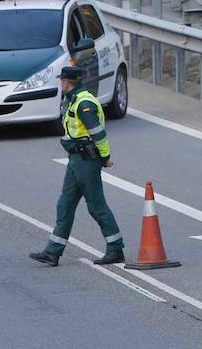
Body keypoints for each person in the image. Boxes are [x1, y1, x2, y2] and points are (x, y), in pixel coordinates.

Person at [30, 66, 124, 266]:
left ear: (66, 82)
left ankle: (116, 248)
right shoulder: (74, 100)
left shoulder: (84, 104)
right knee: (65, 204)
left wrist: (105, 157)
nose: (60, 84)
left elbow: (98, 134)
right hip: (75, 160)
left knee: (96, 206)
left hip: (86, 161)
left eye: (61, 81)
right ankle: (52, 252)